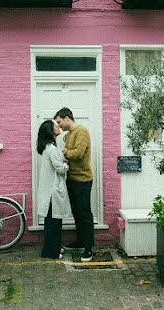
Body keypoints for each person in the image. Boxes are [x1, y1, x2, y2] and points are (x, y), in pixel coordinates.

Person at [54, 107, 94, 262]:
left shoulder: (81, 131)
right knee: (77, 213)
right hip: (72, 179)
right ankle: (81, 241)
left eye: (59, 122)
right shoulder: (69, 135)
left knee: (84, 214)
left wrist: (65, 152)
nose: (59, 126)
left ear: (67, 118)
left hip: (83, 179)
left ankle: (89, 248)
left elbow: (78, 154)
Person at [36, 120, 72, 259]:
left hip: (48, 191)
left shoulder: (47, 148)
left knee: (50, 222)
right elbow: (60, 169)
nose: (58, 127)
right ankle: (52, 252)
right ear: (51, 132)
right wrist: (66, 163)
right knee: (54, 223)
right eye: (55, 126)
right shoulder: (52, 149)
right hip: (53, 191)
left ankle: (52, 248)